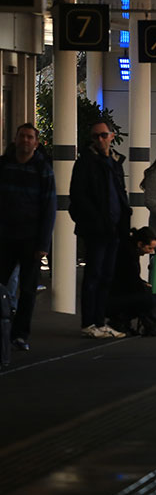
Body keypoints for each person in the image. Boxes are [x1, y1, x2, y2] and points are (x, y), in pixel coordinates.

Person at [69, 120, 131, 338]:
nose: (100, 140)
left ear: (111, 136)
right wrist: (94, 220)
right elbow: (78, 196)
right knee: (93, 275)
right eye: (96, 136)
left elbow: (119, 194)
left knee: (106, 276)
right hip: (97, 229)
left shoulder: (114, 163)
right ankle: (89, 322)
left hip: (113, 228)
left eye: (104, 135)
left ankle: (99, 320)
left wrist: (124, 221)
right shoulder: (86, 163)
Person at [0, 123, 55, 351]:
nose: (25, 141)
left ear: (36, 142)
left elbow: (49, 206)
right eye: (22, 136)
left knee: (28, 289)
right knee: (1, 285)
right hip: (4, 236)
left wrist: (43, 244)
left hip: (31, 239)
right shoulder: (4, 165)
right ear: (15, 139)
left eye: (29, 137)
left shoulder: (43, 169)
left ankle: (20, 334)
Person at [106, 226, 156, 332]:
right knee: (146, 299)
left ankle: (121, 320)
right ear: (140, 244)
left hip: (114, 292)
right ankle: (121, 319)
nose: (151, 251)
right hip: (115, 295)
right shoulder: (128, 255)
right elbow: (129, 279)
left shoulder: (128, 250)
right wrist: (143, 286)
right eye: (149, 248)